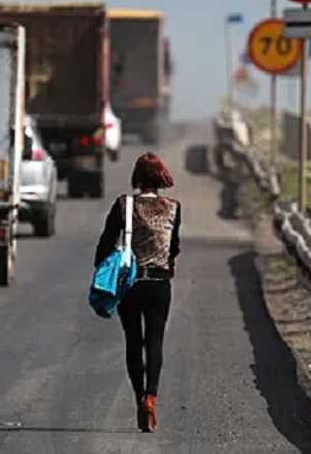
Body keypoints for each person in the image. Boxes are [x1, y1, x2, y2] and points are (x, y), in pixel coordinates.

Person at [94, 152, 181, 433]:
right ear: (160, 178)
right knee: (154, 340)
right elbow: (174, 247)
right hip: (159, 284)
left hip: (130, 285)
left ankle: (138, 400)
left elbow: (106, 243)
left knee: (134, 341)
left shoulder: (124, 205)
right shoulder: (173, 207)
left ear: (137, 177)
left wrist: (101, 270)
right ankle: (152, 398)